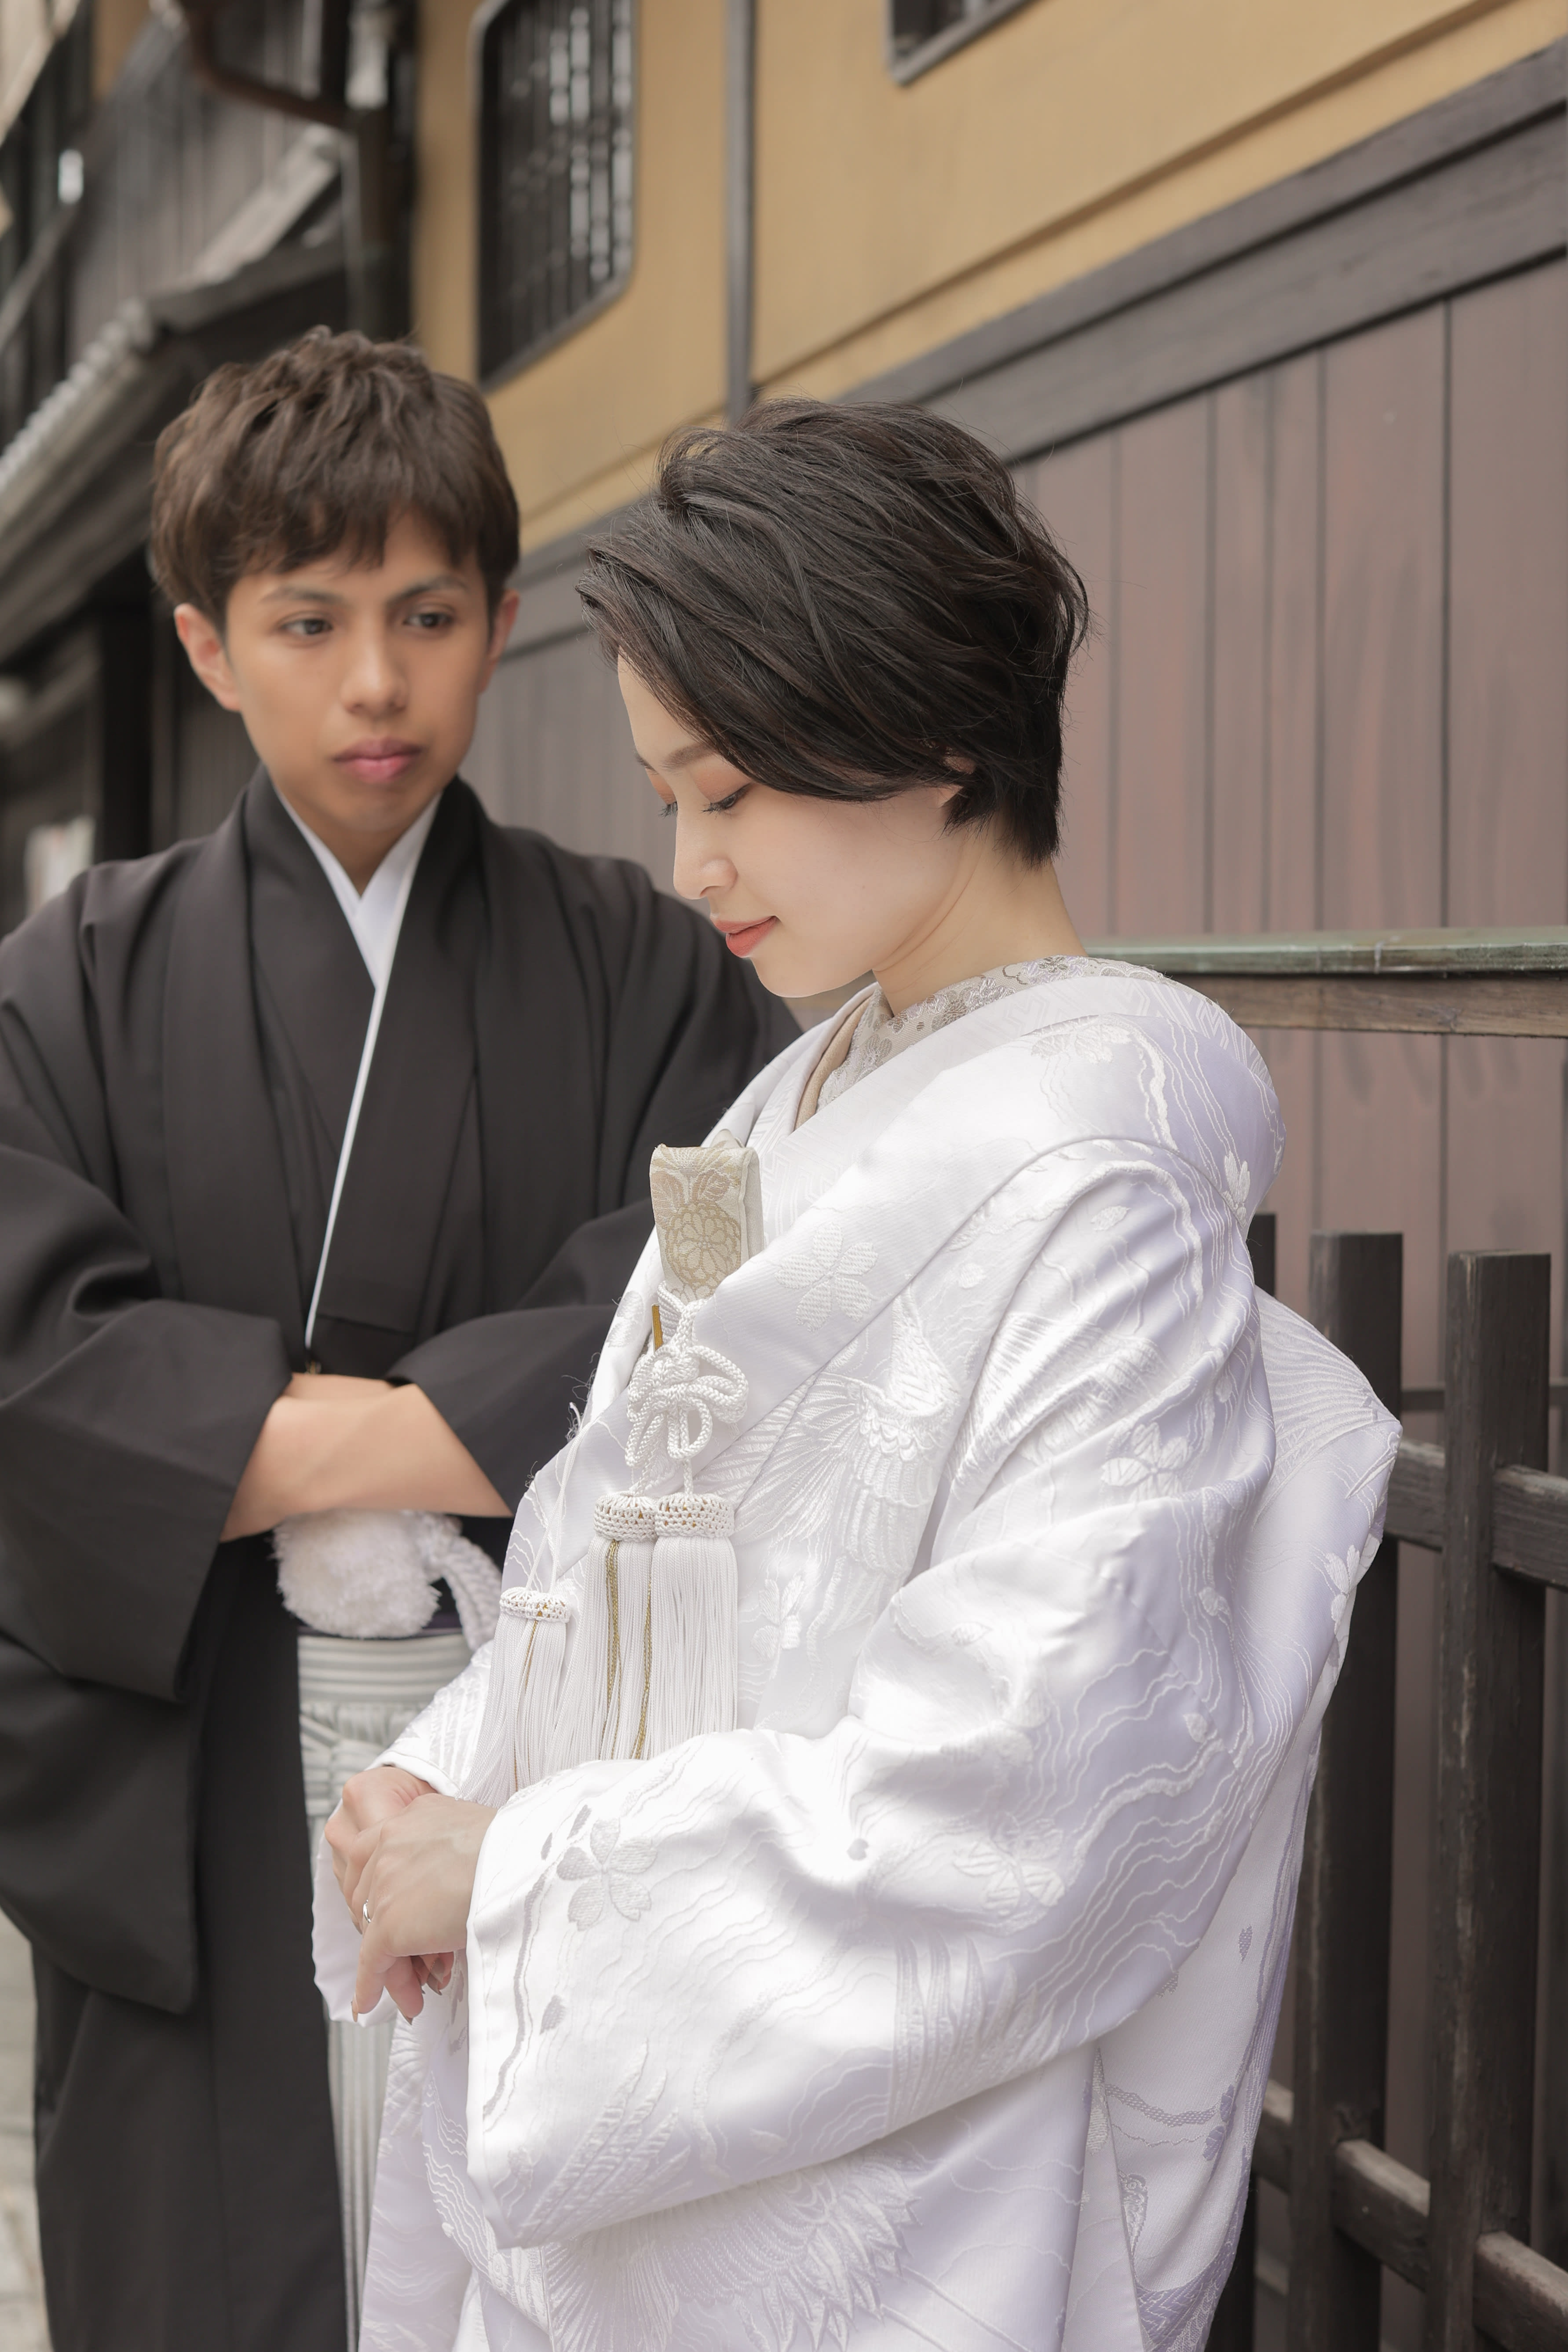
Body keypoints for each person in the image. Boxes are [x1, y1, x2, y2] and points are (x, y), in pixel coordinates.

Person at [319, 400, 1400, 2352]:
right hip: (658, 2142)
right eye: (668, 796)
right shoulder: (808, 1081)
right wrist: (454, 1771)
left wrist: (522, 1874)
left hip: (886, 2192)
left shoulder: (1102, 1167)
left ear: (935, 734)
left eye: (728, 789)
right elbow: (623, 1541)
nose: (689, 862)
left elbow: (1026, 1786)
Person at [0, 330, 795, 2352]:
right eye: (310, 620)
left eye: (429, 615)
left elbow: (727, 1268)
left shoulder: (647, 956)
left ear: (505, 624)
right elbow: (30, 1355)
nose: (377, 680)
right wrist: (455, 1418)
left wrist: (330, 1444)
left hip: (544, 1756)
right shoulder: (71, 973)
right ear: (206, 643)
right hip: (196, 1772)